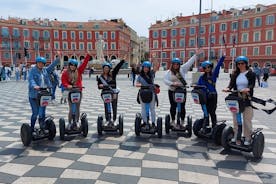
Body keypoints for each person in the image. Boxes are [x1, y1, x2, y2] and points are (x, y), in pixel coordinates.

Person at [223, 56, 256, 146]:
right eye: (238, 64)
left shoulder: (251, 74)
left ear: (246, 64)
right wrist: (227, 88)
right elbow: (231, 84)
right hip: (236, 99)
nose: (240, 65)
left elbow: (252, 84)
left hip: (246, 98)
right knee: (236, 119)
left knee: (247, 119)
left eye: (242, 63)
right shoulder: (235, 74)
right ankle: (237, 135)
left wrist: (247, 89)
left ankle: (247, 137)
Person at [164, 49, 202, 126]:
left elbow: (189, 62)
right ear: (172, 64)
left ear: (179, 65)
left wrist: (196, 55)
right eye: (174, 64)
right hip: (172, 90)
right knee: (173, 106)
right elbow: (165, 80)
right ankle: (173, 120)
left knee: (182, 106)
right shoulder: (169, 72)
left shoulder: (182, 69)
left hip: (182, 90)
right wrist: (173, 83)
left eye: (177, 64)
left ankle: (182, 120)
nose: (176, 66)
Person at [28, 53, 61, 134]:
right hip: (34, 96)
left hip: (43, 94)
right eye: (39, 63)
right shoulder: (32, 71)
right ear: (36, 63)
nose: (41, 65)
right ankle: (31, 128)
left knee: (42, 113)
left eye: (42, 63)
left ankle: (42, 127)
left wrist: (58, 58)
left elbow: (52, 65)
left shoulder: (45, 70)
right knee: (35, 113)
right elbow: (31, 80)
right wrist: (35, 86)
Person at [196, 50, 226, 132]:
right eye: (205, 68)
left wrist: (223, 57)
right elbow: (199, 86)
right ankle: (205, 126)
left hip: (213, 95)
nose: (207, 69)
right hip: (204, 97)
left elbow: (218, 65)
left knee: (212, 112)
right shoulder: (201, 77)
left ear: (211, 67)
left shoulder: (214, 75)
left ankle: (214, 126)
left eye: (208, 67)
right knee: (205, 112)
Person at [61, 52, 91, 127]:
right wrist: (67, 85)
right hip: (70, 92)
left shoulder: (79, 71)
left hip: (78, 91)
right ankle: (70, 122)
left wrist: (88, 56)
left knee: (77, 107)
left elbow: (84, 64)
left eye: (74, 65)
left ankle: (77, 121)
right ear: (69, 65)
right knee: (71, 108)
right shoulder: (65, 73)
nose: (73, 66)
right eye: (71, 65)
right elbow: (63, 81)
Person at [97, 56, 126, 123]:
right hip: (105, 93)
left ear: (109, 68)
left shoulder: (113, 74)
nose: (106, 69)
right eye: (105, 68)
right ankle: (107, 119)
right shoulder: (101, 77)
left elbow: (117, 67)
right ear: (103, 69)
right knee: (106, 106)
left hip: (113, 92)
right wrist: (100, 85)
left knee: (114, 105)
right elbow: (99, 86)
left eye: (107, 68)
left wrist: (122, 61)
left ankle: (114, 119)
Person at [136, 61, 159, 127]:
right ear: (142, 68)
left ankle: (153, 123)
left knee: (152, 108)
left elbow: (156, 66)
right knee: (143, 108)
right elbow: (137, 83)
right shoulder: (140, 76)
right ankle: (145, 122)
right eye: (145, 67)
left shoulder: (151, 73)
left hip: (151, 93)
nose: (146, 69)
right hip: (143, 93)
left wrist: (154, 58)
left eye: (147, 67)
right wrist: (140, 84)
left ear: (149, 68)